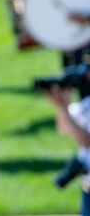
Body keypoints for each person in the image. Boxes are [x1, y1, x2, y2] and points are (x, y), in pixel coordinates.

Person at [42, 83, 90, 216]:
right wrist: (62, 106)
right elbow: (63, 128)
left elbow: (86, 141)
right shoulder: (87, 103)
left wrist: (64, 107)